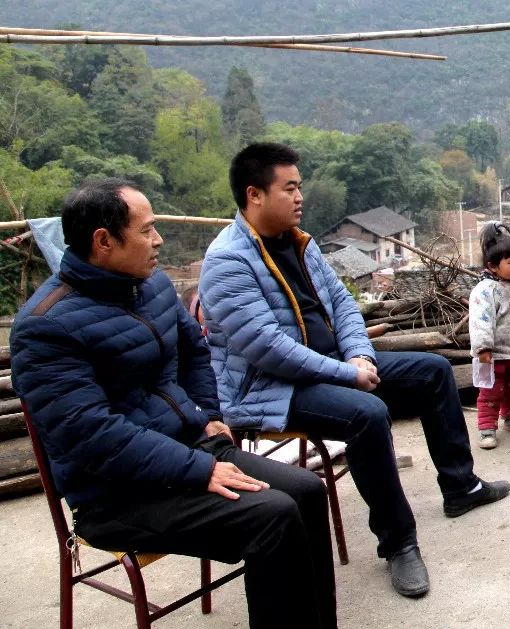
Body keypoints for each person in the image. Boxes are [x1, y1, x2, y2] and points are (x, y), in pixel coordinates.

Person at [12, 179, 337, 629]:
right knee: (273, 515)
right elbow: (92, 435)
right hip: (117, 493)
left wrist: (210, 417)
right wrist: (200, 470)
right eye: (146, 231)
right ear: (103, 241)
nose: (158, 240)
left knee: (306, 491)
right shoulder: (45, 328)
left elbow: (193, 353)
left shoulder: (150, 286)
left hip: (190, 450)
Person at [200, 142, 509, 600]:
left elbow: (343, 303)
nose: (300, 196)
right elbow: (269, 350)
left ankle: (460, 486)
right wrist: (348, 375)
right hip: (272, 387)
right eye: (290, 188)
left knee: (433, 371)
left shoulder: (299, 243)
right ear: (254, 194)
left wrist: (359, 357)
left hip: (334, 367)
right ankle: (398, 541)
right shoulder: (228, 262)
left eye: (300, 186)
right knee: (365, 414)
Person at [470, 222, 510, 449]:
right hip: (494, 353)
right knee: (491, 391)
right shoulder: (485, 289)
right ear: (493, 266)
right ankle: (487, 428)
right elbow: (481, 320)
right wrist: (483, 348)